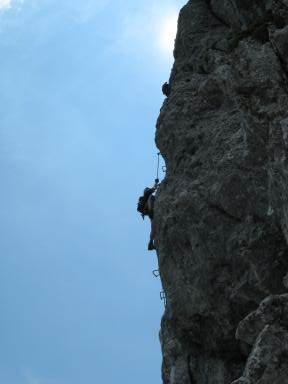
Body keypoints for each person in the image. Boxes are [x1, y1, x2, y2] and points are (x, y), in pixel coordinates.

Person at [137, 179, 159, 250]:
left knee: (153, 228)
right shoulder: (147, 194)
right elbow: (154, 188)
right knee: (151, 197)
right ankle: (150, 243)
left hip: (149, 213)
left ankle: (150, 243)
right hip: (150, 210)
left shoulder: (143, 198)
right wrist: (156, 183)